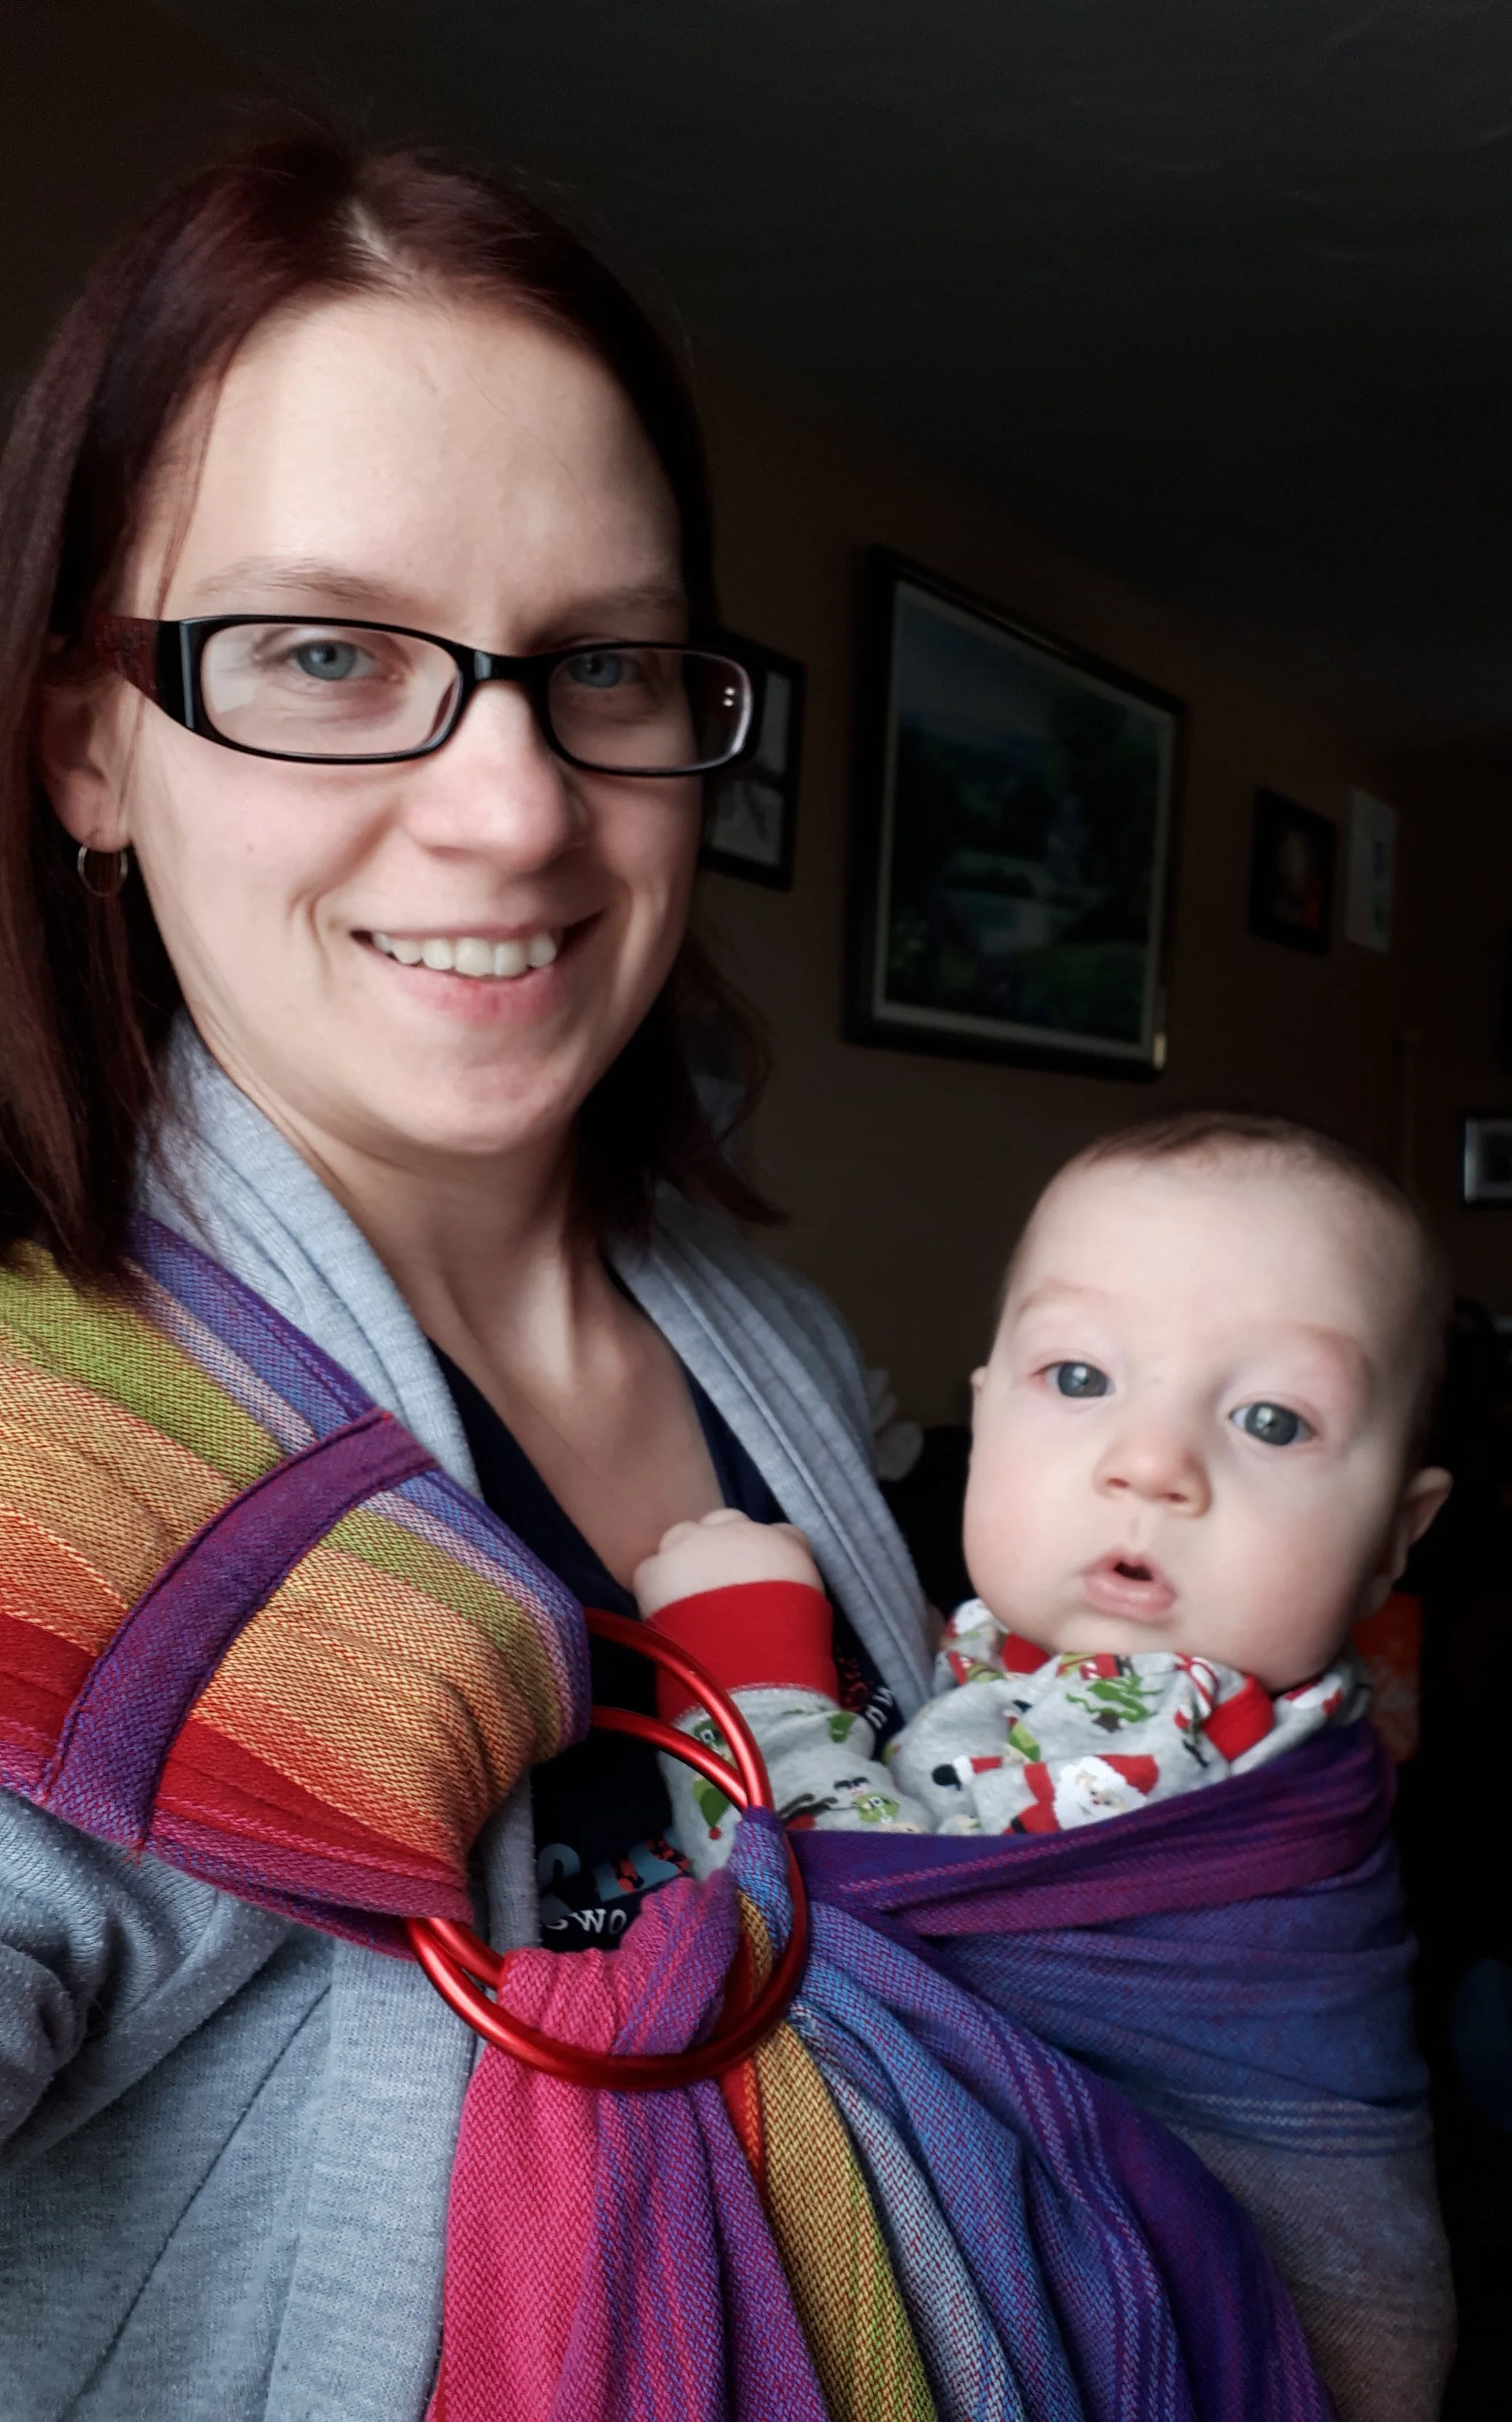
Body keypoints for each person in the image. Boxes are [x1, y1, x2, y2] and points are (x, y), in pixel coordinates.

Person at [0, 133, 929, 2421]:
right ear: (89, 748)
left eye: (600, 662)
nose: (516, 806)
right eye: (324, 652)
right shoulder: (55, 1456)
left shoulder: (782, 1353)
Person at [633, 1111, 1460, 2421]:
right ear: (984, 1408)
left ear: (1394, 1536)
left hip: (1219, 2307)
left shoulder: (1158, 1714)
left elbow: (830, 1911)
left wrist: (750, 1671)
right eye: (1080, 1381)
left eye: (1270, 1418)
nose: (1151, 1465)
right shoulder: (1213, 1699)